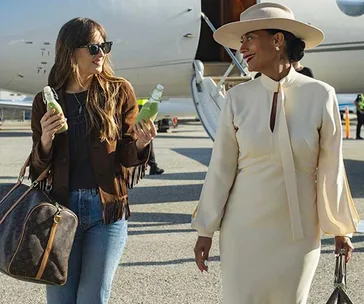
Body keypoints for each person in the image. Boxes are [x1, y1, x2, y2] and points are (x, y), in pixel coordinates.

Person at [192, 3, 359, 304]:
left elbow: (331, 169)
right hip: (242, 231)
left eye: (249, 37)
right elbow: (221, 168)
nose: (242, 48)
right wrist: (205, 229)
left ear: (278, 40)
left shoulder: (321, 95)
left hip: (299, 234)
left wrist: (339, 229)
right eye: (241, 40)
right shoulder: (236, 99)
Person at [29, 18, 155, 304]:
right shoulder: (47, 100)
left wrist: (140, 142)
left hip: (106, 212)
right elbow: (37, 168)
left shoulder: (118, 91)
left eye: (105, 46)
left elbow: (125, 155)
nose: (102, 54)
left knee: (92, 298)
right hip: (60, 213)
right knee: (61, 299)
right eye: (94, 47)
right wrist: (46, 139)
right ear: (71, 52)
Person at [137, 98, 164, 174]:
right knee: (145, 137)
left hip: (143, 105)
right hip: (142, 107)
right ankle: (152, 165)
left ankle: (152, 165)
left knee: (146, 137)